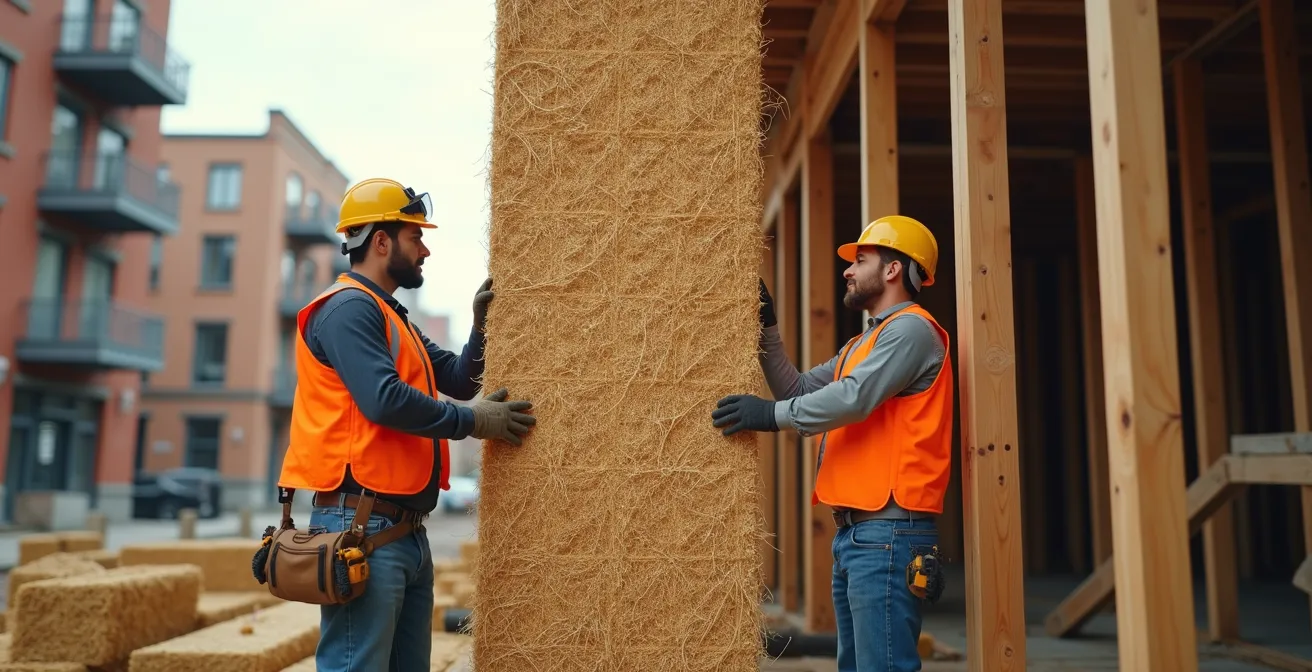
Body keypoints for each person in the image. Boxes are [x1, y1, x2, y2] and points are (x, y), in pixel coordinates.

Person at [277, 177, 536, 671]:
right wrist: (474, 423)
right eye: (415, 237)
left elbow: (458, 379)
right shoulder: (348, 309)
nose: (425, 250)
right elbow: (384, 400)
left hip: (401, 531)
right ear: (381, 241)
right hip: (360, 527)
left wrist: (482, 328)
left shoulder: (392, 318)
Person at [711, 215, 953, 672]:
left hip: (888, 532)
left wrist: (769, 416)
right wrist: (767, 329)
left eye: (860, 260)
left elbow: (853, 398)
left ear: (893, 269)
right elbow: (799, 391)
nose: (847, 269)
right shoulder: (863, 344)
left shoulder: (911, 331)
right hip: (858, 534)